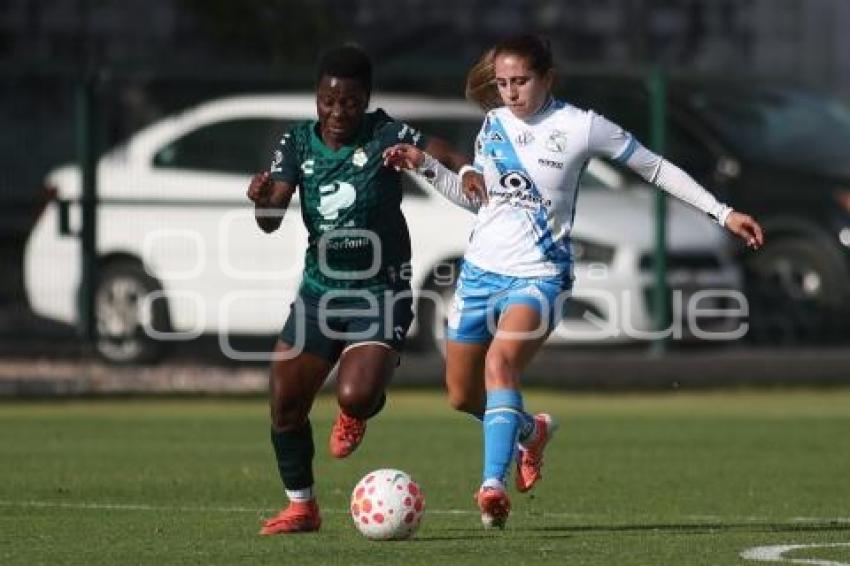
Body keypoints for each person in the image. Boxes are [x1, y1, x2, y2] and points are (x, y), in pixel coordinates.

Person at [383, 34, 764, 529]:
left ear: (548, 78)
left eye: (521, 81)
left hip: (542, 276)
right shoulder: (494, 123)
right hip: (478, 273)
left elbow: (654, 167)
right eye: (502, 83)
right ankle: (529, 432)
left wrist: (723, 212)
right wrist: (427, 167)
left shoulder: (581, 127)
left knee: (500, 364)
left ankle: (492, 486)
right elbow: (481, 202)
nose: (510, 93)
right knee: (461, 395)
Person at [247, 44, 471, 535]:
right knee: (284, 403)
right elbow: (270, 220)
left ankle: (358, 411)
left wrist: (473, 175)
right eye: (327, 101)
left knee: (355, 394)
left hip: (380, 290)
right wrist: (262, 200)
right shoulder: (298, 142)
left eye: (348, 102)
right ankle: (302, 507)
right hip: (319, 292)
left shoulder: (385, 132)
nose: (336, 112)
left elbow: (442, 152)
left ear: (365, 99)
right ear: (316, 98)